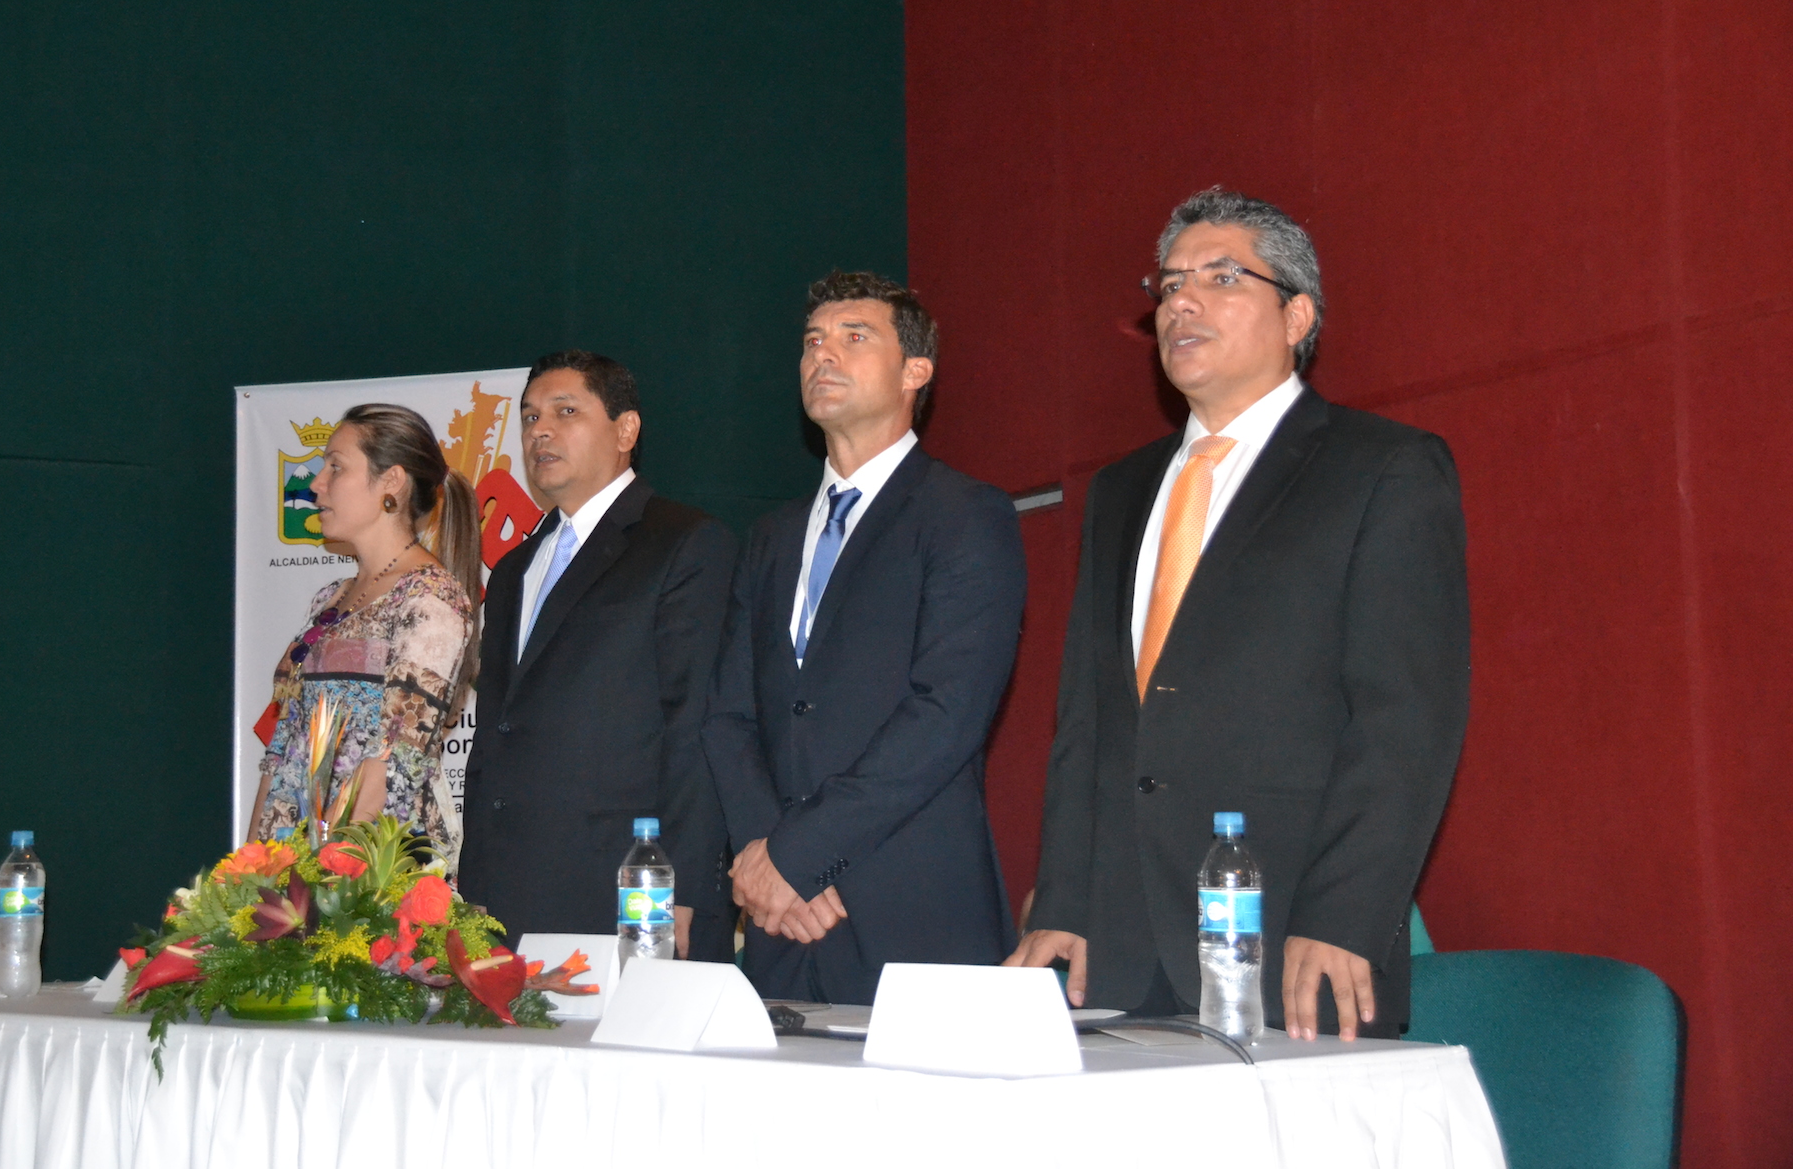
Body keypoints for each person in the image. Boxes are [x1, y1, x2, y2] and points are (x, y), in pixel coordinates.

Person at [1006, 188, 1469, 1040]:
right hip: (1119, 950)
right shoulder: (1119, 491)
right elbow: (1087, 719)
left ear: (1297, 315)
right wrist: (1065, 897)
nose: (1181, 301)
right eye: (1170, 283)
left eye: (1221, 278)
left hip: (1294, 940)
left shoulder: (1383, 470)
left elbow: (1405, 718)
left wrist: (1344, 914)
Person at [702, 271, 1027, 1004]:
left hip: (912, 912)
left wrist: (798, 854)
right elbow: (728, 715)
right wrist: (764, 857)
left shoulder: (965, 515)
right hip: (783, 922)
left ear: (916, 371)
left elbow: (946, 714)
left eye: (855, 337)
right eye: (812, 340)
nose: (823, 354)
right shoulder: (770, 537)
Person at [458, 352, 738, 958]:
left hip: (628, 891)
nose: (540, 431)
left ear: (626, 429)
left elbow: (698, 726)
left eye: (565, 412)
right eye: (530, 417)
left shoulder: (683, 542)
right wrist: (473, 881)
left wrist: (683, 884)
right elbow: (495, 732)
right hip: (505, 894)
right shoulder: (513, 569)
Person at [248, 404, 481, 862]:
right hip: (297, 859)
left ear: (391, 481)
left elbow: (393, 761)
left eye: (336, 467)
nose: (317, 483)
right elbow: (282, 752)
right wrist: (252, 866)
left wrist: (326, 876)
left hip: (372, 868)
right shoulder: (330, 599)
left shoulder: (430, 598)